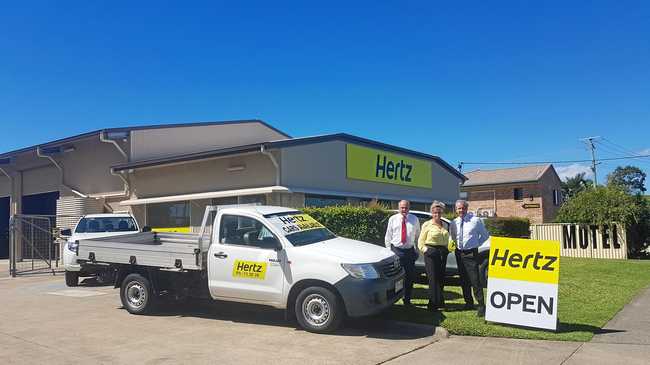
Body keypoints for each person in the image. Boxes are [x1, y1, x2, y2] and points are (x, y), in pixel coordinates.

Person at [449, 199, 490, 317]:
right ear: (456, 210)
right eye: (458, 208)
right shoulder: (454, 222)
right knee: (463, 279)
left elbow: (485, 235)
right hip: (459, 253)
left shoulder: (475, 221)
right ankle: (468, 303)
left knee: (475, 280)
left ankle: (481, 306)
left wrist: (475, 245)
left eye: (463, 208)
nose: (461, 210)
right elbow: (452, 236)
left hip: (471, 253)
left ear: (466, 208)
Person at [385, 200, 420, 306]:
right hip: (396, 251)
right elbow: (388, 236)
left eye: (406, 207)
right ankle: (394, 297)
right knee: (396, 277)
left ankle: (407, 299)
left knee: (409, 277)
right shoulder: (393, 219)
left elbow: (418, 235)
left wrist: (417, 250)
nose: (404, 210)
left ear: (409, 208)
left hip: (409, 252)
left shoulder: (414, 219)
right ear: (398, 208)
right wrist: (389, 251)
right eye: (402, 207)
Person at [417, 201, 450, 311]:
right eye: (435, 212)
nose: (437, 214)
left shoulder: (444, 225)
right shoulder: (427, 224)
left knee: (441, 278)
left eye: (439, 212)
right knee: (433, 278)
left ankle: (440, 302)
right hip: (431, 252)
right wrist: (426, 250)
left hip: (442, 252)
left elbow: (449, 240)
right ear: (432, 213)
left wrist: (449, 249)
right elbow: (420, 242)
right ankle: (432, 303)